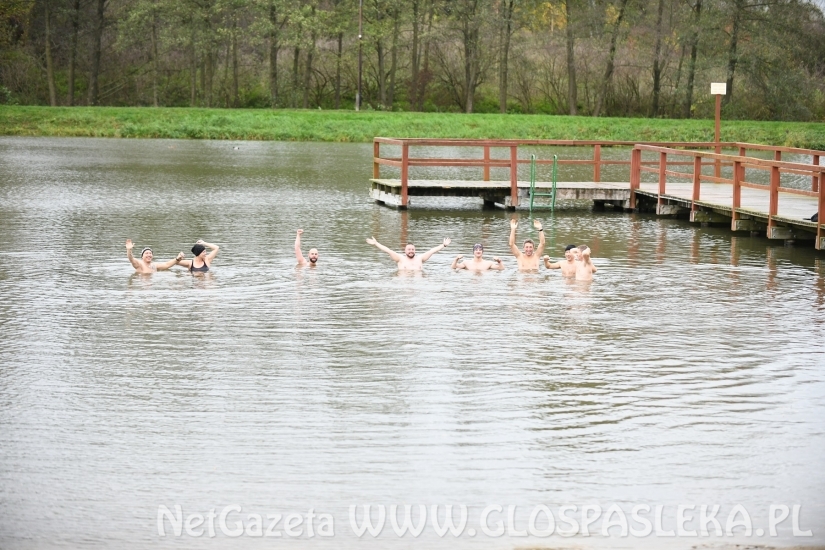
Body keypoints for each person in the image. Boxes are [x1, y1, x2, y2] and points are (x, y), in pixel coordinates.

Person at [366, 236, 451, 271]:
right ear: (405, 251)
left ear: (415, 250)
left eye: (412, 249)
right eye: (409, 249)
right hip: (404, 284)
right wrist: (376, 244)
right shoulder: (400, 259)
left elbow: (432, 251)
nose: (411, 251)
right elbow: (388, 250)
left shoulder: (420, 258)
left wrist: (443, 245)